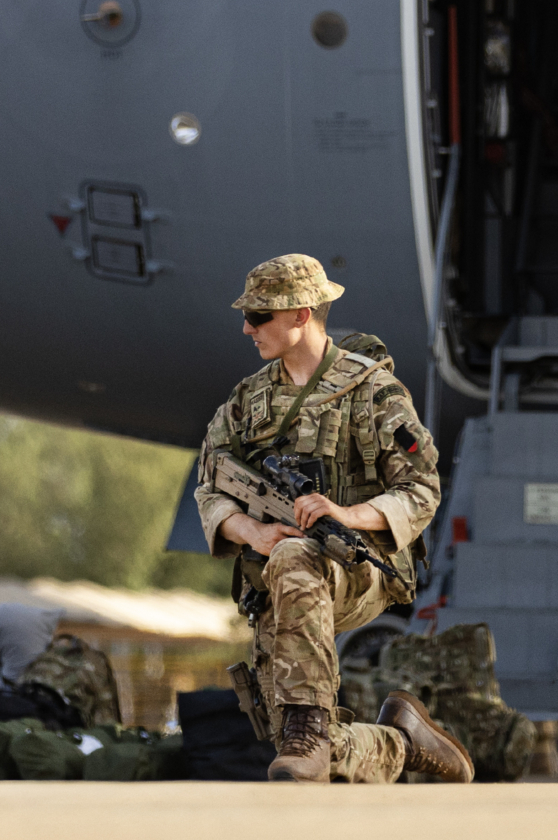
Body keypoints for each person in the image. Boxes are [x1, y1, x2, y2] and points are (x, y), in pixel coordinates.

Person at [192, 254, 472, 784]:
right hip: (278, 583)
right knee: (295, 750)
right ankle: (402, 743)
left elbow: (421, 489)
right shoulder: (248, 400)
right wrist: (251, 530)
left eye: (259, 316)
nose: (246, 328)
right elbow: (209, 485)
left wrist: (348, 514)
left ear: (301, 315)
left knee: (296, 554)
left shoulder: (372, 393)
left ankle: (310, 727)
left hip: (359, 568)